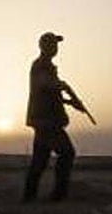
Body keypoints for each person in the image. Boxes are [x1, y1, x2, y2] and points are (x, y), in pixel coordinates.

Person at [23, 32, 80, 201]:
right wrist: (64, 86)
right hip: (47, 121)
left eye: (56, 45)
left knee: (40, 161)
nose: (56, 48)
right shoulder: (41, 66)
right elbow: (47, 85)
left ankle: (29, 198)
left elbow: (48, 92)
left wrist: (70, 101)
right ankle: (58, 196)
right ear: (44, 47)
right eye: (52, 45)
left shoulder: (47, 66)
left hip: (45, 120)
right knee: (67, 153)